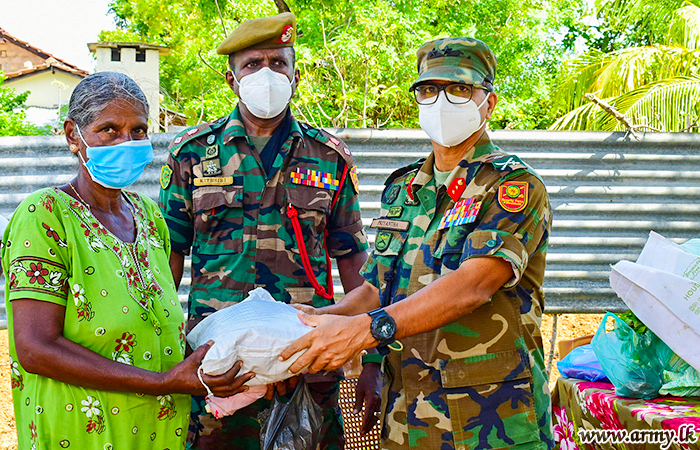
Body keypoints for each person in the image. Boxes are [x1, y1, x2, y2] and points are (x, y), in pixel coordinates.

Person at [281, 37, 555, 450]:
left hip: (489, 417)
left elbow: (473, 285)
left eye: (459, 89)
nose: (441, 100)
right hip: (407, 415)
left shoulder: (511, 184)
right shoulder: (404, 188)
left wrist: (367, 330)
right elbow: (374, 290)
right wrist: (317, 320)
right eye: (428, 89)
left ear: (489, 102)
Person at [1, 72, 253, 450]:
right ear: (73, 135)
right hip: (84, 430)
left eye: (138, 130)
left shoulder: (149, 216)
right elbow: (35, 347)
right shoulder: (46, 216)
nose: (127, 141)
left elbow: (158, 326)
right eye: (109, 129)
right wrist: (161, 383)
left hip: (158, 428)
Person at [158, 13, 369, 450]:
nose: (266, 73)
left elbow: (353, 259)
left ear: (296, 75)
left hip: (308, 357)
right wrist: (166, 354)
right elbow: (168, 258)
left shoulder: (328, 156)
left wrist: (370, 359)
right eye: (252, 64)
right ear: (233, 80)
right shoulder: (193, 154)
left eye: (278, 62)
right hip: (218, 362)